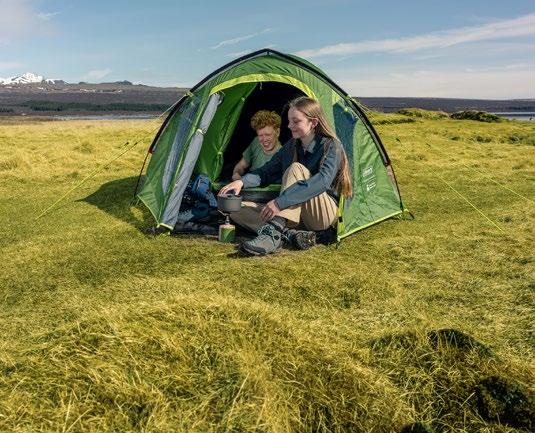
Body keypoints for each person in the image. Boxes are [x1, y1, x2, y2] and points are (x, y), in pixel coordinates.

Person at [219, 96, 353, 256]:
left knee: (295, 169)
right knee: (235, 209)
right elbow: (266, 171)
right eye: (289, 121)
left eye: (296, 121)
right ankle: (290, 234)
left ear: (313, 122)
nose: (290, 126)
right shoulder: (291, 146)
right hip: (295, 214)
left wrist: (279, 202)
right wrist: (241, 182)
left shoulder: (331, 146)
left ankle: (273, 233)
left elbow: (322, 182)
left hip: (322, 215)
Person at [231, 110, 282, 180]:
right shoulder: (256, 142)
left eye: (268, 135)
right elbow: (241, 165)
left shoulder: (283, 153)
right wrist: (236, 174)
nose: (264, 139)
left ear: (277, 132)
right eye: (260, 135)